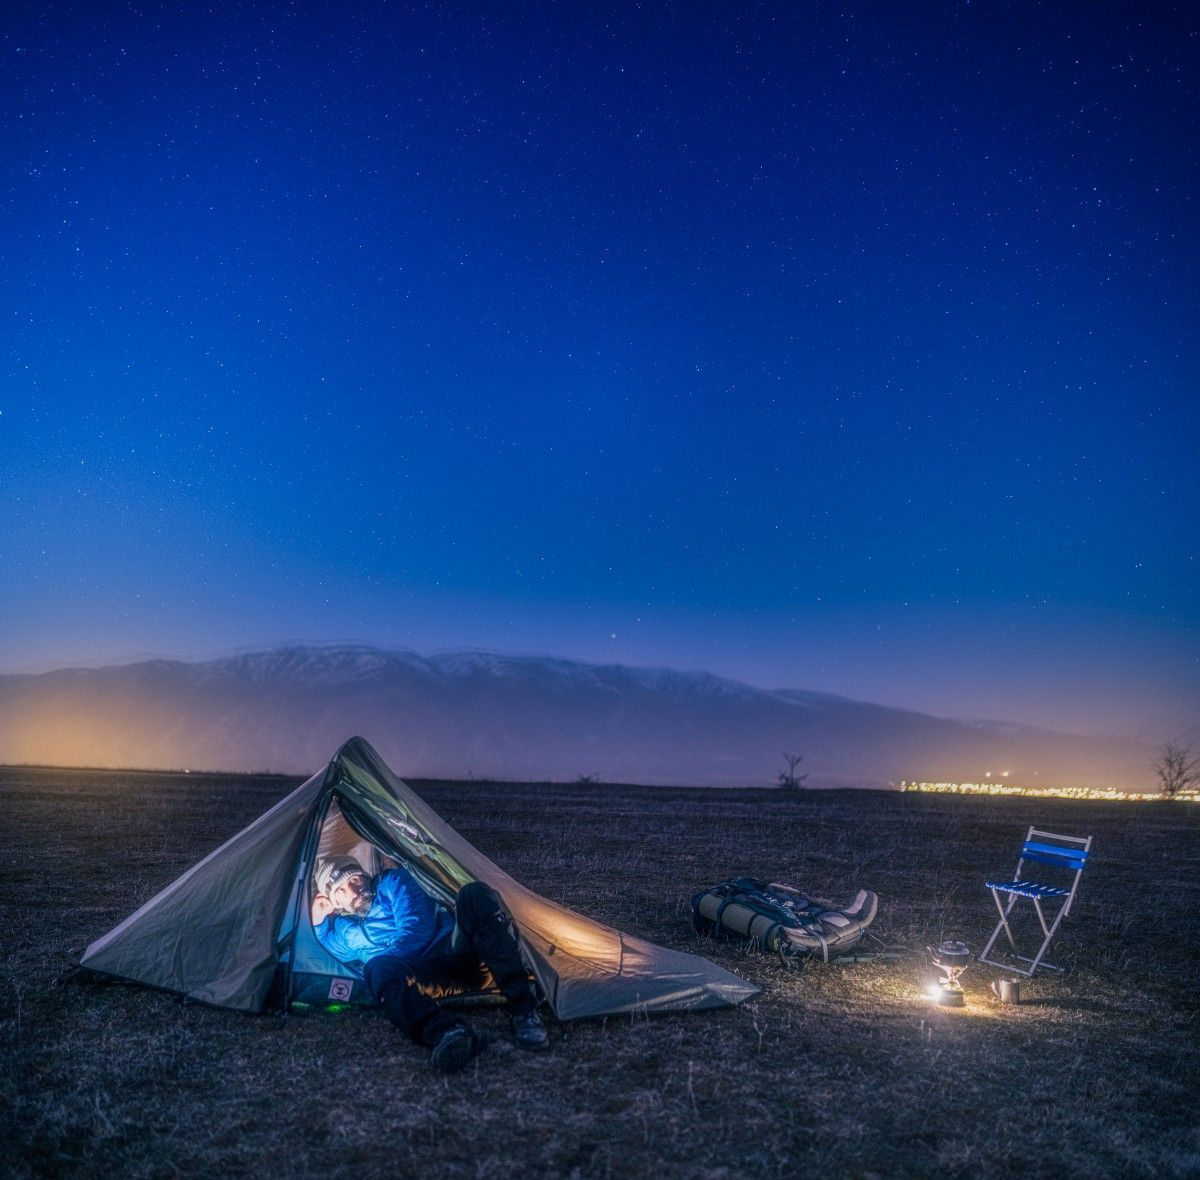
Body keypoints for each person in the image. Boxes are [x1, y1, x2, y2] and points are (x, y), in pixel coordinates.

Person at [310, 854, 550, 1073]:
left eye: (354, 878)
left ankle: (524, 1010)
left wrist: (385, 963)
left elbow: (417, 932)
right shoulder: (344, 930)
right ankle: (448, 1032)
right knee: (376, 968)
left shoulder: (394, 882)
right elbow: (326, 950)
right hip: (428, 979)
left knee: (474, 894)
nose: (353, 889)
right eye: (340, 889)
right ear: (335, 902)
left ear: (364, 875)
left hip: (457, 957)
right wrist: (318, 922)